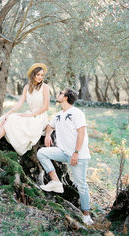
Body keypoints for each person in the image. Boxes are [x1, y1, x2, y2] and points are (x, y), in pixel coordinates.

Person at [37, 88, 94, 226]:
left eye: (61, 93)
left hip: (78, 156)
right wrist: (49, 134)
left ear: (66, 97)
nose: (58, 94)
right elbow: (50, 126)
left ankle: (86, 215)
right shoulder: (58, 115)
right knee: (42, 153)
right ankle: (56, 182)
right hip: (64, 153)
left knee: (81, 185)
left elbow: (81, 134)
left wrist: (76, 152)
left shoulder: (77, 113)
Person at [0, 63, 50, 156]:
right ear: (33, 75)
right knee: (7, 118)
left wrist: (31, 115)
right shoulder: (27, 87)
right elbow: (20, 102)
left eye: (42, 75)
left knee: (12, 120)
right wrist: (9, 113)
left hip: (40, 117)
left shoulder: (45, 87)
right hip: (30, 114)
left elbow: (46, 107)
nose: (40, 77)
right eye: (38, 75)